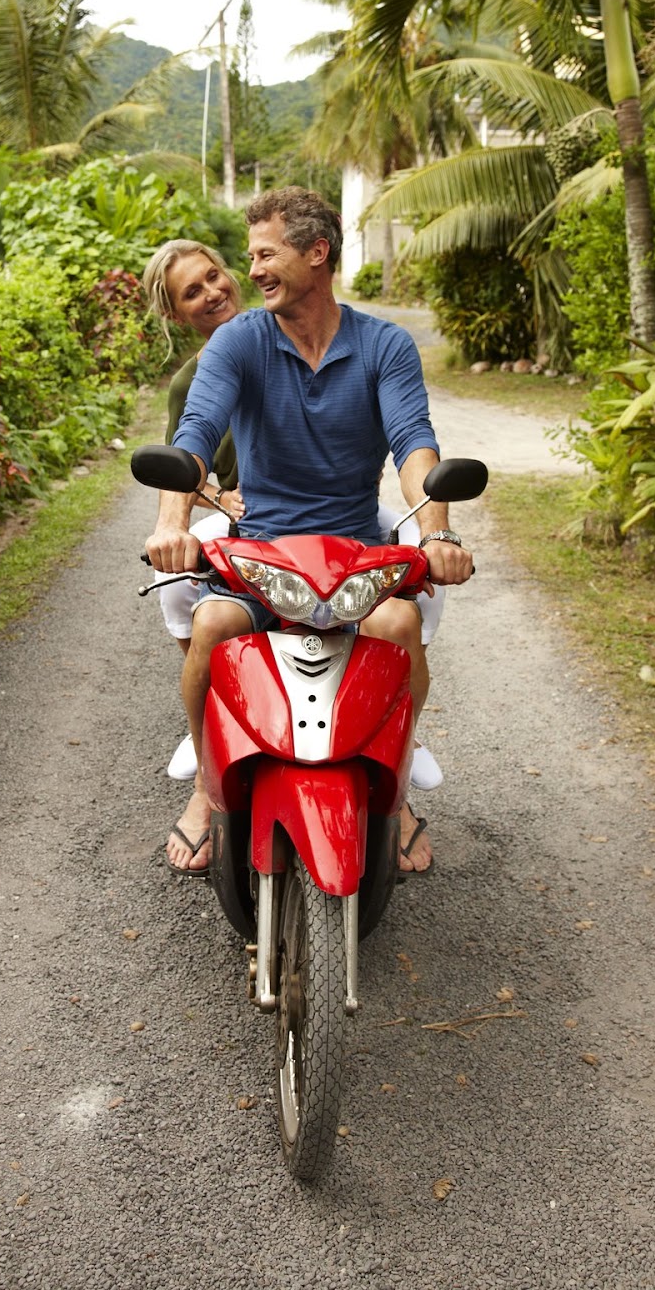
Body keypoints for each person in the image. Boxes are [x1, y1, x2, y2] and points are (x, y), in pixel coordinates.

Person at [145, 189, 474, 876]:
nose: (253, 270)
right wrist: (170, 522)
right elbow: (195, 436)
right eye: (252, 257)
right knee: (208, 627)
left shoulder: (384, 344)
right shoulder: (238, 341)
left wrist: (437, 533)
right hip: (262, 549)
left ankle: (394, 792)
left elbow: (415, 445)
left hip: (355, 550)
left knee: (399, 627)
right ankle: (210, 788)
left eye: (266, 255)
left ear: (315, 253)